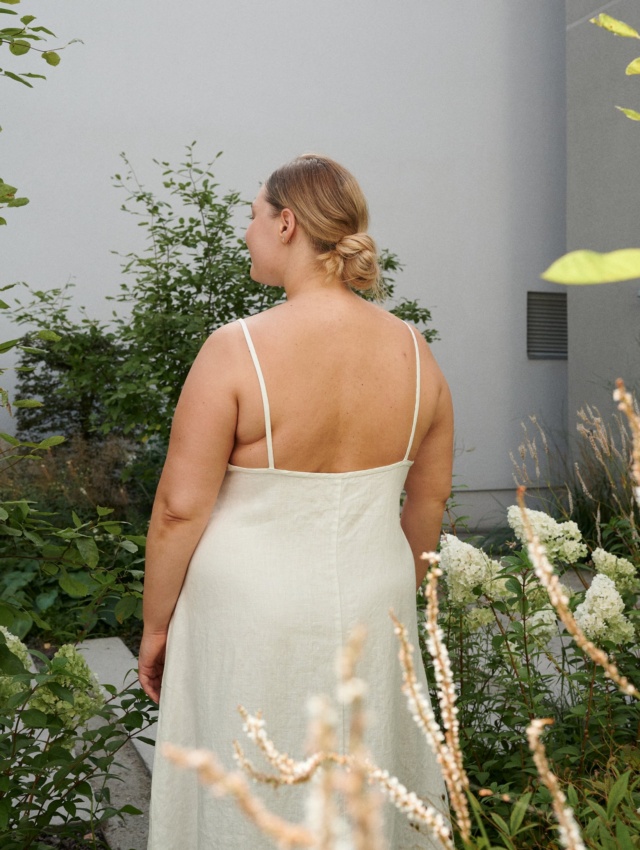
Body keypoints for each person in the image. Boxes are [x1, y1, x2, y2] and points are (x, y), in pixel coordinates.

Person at [139, 154, 454, 849]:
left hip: (246, 609)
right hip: (378, 604)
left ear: (287, 223)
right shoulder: (416, 353)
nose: (246, 230)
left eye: (253, 214)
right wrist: (400, 594)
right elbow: (428, 503)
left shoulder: (235, 350)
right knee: (364, 783)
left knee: (250, 783)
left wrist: (156, 626)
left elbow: (178, 509)